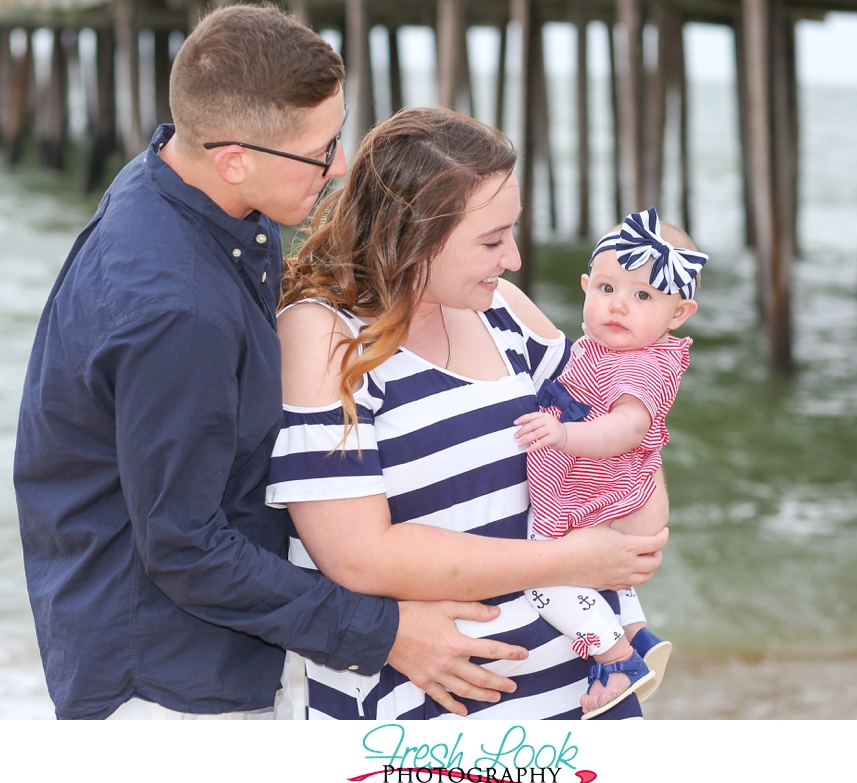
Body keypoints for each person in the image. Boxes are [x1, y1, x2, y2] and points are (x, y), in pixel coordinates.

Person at [14, 4, 648, 720]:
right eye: (321, 150)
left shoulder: (191, 199)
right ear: (234, 157)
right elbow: (186, 547)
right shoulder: (177, 306)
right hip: (166, 689)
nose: (342, 164)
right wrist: (385, 632)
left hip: (198, 660)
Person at [268, 107, 669, 720]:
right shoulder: (327, 336)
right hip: (429, 718)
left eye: (512, 232)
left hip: (583, 698)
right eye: (491, 240)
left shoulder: (505, 310)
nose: (512, 258)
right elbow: (357, 556)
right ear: (415, 233)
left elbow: (629, 441)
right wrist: (571, 560)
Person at [512, 207, 707, 718]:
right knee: (599, 571)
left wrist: (564, 433)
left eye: (643, 296)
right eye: (606, 289)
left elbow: (630, 428)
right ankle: (638, 634)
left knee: (544, 580)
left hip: (599, 493)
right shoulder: (607, 348)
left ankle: (616, 660)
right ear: (585, 286)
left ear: (677, 314)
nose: (618, 306)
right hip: (602, 490)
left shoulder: (644, 364)